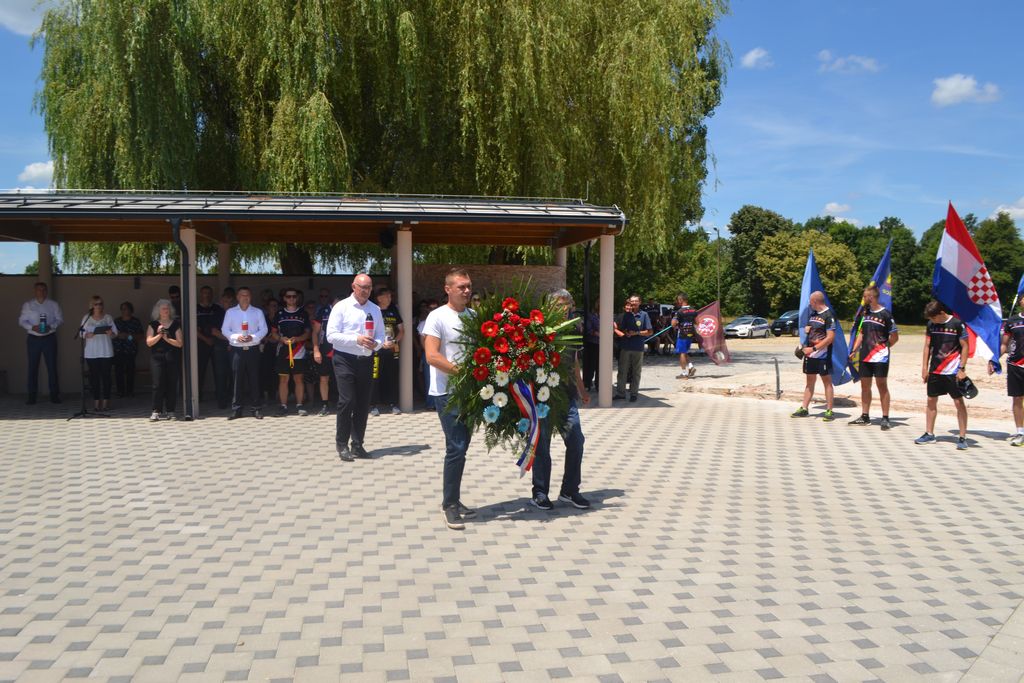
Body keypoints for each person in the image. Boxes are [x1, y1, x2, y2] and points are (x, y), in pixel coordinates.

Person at [423, 268, 477, 530]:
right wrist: (463, 373)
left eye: (468, 286)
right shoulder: (437, 317)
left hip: (471, 392)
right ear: (448, 289)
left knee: (461, 446)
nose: (466, 291)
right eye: (461, 287)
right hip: (447, 392)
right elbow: (432, 356)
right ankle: (449, 505)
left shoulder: (473, 316)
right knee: (456, 446)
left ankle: (453, 498)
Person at [531, 289, 591, 511]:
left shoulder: (574, 327)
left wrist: (582, 389)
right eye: (558, 304)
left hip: (567, 395)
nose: (563, 309)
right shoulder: (539, 328)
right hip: (543, 396)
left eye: (567, 304)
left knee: (576, 441)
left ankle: (569, 490)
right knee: (542, 445)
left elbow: (574, 361)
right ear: (549, 306)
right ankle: (540, 492)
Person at [325, 274, 388, 461]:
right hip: (344, 359)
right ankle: (342, 444)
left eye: (369, 287)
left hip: (366, 359)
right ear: (353, 287)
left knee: (362, 403)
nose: (365, 291)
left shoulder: (375, 309)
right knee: (347, 401)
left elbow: (381, 336)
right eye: (362, 287)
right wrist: (357, 339)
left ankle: (358, 445)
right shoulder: (341, 307)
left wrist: (376, 344)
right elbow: (331, 336)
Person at [915, 300, 970, 449]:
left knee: (958, 402)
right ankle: (929, 433)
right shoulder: (931, 325)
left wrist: (962, 368)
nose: (932, 321)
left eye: (934, 318)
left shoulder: (957, 324)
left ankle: (962, 437)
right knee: (931, 400)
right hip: (935, 369)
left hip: (952, 371)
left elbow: (965, 346)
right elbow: (927, 346)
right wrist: (924, 368)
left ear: (941, 313)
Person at [848, 286, 899, 430]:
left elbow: (895, 336)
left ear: (871, 297)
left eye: (865, 296)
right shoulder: (864, 313)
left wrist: (884, 347)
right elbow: (861, 333)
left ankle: (885, 418)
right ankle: (865, 416)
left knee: (882, 385)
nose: (863, 299)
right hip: (865, 355)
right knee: (865, 386)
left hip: (880, 357)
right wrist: (854, 349)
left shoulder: (885, 314)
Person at [221, 287, 268, 420]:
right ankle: (237, 409)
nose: (245, 297)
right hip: (237, 350)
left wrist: (253, 337)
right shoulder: (230, 312)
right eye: (242, 295)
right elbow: (225, 329)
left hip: (253, 349)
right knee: (237, 380)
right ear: (237, 297)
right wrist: (236, 337)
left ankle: (256, 408)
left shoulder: (257, 312)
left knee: (254, 379)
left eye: (247, 295)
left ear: (250, 297)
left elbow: (264, 329)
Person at [791, 291, 836, 421]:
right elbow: (812, 330)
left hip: (823, 355)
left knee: (827, 382)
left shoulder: (829, 315)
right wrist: (807, 331)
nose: (809, 304)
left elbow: (830, 338)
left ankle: (829, 410)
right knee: (809, 382)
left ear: (815, 301)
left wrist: (814, 348)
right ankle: (804, 408)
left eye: (810, 301)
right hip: (810, 355)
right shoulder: (813, 314)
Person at [18, 281, 63, 404]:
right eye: (39, 289)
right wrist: (32, 327)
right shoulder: (28, 305)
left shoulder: (53, 304)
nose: (41, 292)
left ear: (46, 291)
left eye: (43, 290)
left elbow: (60, 319)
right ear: (35, 291)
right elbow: (21, 321)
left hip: (49, 338)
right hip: (33, 339)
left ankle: (54, 395)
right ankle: (32, 396)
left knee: (52, 367)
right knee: (33, 367)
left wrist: (51, 326)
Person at [271, 287, 312, 416]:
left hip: (299, 350)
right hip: (283, 350)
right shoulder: (279, 314)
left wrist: (298, 339)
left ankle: (299, 405)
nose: (291, 299)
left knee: (298, 378)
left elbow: (308, 333)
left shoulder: (303, 313)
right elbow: (273, 332)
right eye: (288, 296)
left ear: (297, 298)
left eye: (294, 296)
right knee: (283, 379)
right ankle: (283, 406)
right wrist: (280, 339)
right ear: (284, 298)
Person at [992, 299, 1024, 446]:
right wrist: (994, 359)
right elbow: (1004, 344)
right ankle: (1020, 432)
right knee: (1017, 398)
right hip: (1015, 365)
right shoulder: (1012, 321)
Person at [146, 299, 183, 421]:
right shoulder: (153, 324)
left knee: (171, 384)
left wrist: (167, 339)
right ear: (158, 311)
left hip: (172, 357)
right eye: (163, 309)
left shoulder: (175, 324)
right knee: (157, 384)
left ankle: (170, 411)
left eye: (167, 308)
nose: (165, 311)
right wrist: (159, 335)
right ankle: (156, 411)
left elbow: (180, 343)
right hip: (157, 358)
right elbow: (149, 342)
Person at [79, 295, 117, 412]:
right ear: (92, 306)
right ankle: (96, 402)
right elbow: (80, 333)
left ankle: (106, 402)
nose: (99, 306)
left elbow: (115, 333)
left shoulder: (108, 318)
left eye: (101, 304)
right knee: (94, 378)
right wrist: (86, 335)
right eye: (96, 304)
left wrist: (111, 333)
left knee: (106, 377)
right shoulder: (87, 318)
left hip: (106, 351)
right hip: (92, 352)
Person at [370, 286, 404, 416]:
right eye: (387, 296)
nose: (390, 298)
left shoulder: (393, 311)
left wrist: (394, 342)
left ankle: (393, 404)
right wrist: (378, 343)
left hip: (392, 350)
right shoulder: (373, 311)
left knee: (392, 377)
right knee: (374, 377)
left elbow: (401, 331)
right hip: (376, 350)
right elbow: (368, 330)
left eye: (390, 296)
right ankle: (373, 405)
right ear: (379, 298)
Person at [196, 285, 230, 408]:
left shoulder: (217, 309)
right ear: (200, 294)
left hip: (218, 343)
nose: (207, 295)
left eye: (209, 293)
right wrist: (205, 339)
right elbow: (192, 328)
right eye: (204, 292)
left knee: (220, 372)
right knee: (199, 371)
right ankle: (197, 396)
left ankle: (221, 397)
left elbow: (220, 327)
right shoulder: (195, 308)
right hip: (201, 343)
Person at [614, 295, 651, 402]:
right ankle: (620, 393)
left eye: (636, 301)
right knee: (622, 371)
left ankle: (634, 394)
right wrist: (626, 332)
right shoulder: (626, 315)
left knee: (636, 372)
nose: (634, 303)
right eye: (632, 301)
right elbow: (621, 329)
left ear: (640, 302)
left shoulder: (644, 315)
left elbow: (649, 331)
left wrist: (636, 333)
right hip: (625, 346)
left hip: (638, 347)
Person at [311, 289, 336, 416]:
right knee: (324, 378)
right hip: (325, 350)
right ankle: (325, 405)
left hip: (342, 352)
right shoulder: (323, 311)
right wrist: (316, 350)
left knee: (343, 379)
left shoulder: (349, 312)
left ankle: (344, 403)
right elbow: (315, 332)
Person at [113, 301, 142, 398]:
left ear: (130, 310)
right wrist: (118, 335)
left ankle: (130, 391)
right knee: (118, 371)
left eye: (126, 309)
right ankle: (120, 391)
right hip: (118, 350)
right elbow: (111, 334)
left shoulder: (135, 321)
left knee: (130, 371)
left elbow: (140, 335)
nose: (124, 311)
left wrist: (128, 336)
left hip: (130, 350)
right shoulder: (116, 321)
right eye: (122, 309)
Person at [671, 293, 698, 378]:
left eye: (678, 300)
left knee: (682, 353)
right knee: (685, 351)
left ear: (681, 300)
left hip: (682, 334)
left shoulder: (679, 312)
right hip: (690, 334)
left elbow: (673, 324)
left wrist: (676, 323)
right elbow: (697, 322)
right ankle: (690, 366)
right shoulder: (693, 310)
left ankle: (684, 373)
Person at [582, 299, 600, 391]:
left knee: (600, 366)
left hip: (604, 345)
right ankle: (587, 384)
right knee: (591, 365)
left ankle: (599, 385)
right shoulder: (591, 316)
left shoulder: (607, 315)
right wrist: (597, 333)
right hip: (593, 344)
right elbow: (588, 330)